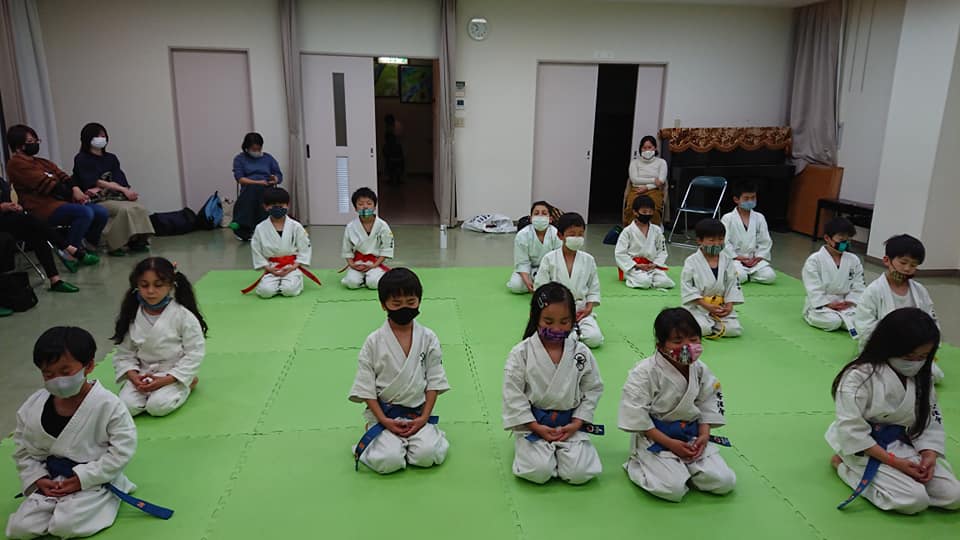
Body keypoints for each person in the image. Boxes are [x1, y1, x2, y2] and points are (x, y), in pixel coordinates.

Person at [5, 327, 137, 539]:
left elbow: (122, 450)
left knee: (67, 525)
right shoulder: (33, 406)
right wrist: (37, 478)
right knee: (21, 528)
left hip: (93, 478)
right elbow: (22, 448)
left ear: (89, 366)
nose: (57, 379)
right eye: (48, 374)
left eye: (65, 372)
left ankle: (110, 496)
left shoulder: (108, 405)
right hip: (51, 480)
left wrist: (82, 478)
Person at [826, 308, 960, 514]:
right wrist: (896, 463)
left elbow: (930, 420)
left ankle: (902, 476)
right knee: (914, 500)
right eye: (909, 356)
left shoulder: (923, 378)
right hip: (865, 447)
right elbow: (852, 430)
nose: (916, 363)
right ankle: (843, 466)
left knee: (953, 496)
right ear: (889, 346)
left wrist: (929, 454)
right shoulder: (858, 377)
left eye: (923, 356)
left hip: (903, 443)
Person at [619, 307, 736, 501]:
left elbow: (707, 401)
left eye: (693, 339)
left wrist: (704, 435)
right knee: (673, 489)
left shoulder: (699, 369)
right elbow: (636, 414)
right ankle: (637, 463)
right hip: (656, 438)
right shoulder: (644, 372)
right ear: (661, 345)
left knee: (724, 481)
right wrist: (670, 444)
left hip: (691, 436)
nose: (687, 346)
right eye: (677, 341)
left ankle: (684, 467)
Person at [349, 268, 450, 474]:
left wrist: (424, 418)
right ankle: (379, 437)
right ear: (383, 305)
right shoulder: (373, 341)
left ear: (419, 301)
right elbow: (365, 386)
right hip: (384, 415)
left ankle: (427, 434)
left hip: (417, 414)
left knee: (427, 456)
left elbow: (435, 380)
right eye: (396, 304)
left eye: (410, 302)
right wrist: (383, 420)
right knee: (390, 461)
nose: (404, 308)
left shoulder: (428, 337)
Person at [503, 282, 604, 484]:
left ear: (573, 320)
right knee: (538, 472)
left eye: (564, 322)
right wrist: (535, 426)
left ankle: (564, 453)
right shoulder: (521, 353)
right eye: (548, 322)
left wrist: (577, 423)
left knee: (581, 474)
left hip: (569, 425)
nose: (557, 329)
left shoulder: (580, 352)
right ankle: (537, 451)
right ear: (535, 318)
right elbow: (513, 395)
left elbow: (593, 388)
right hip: (534, 425)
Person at [111, 257, 207, 417]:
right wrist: (134, 377)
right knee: (126, 407)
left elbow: (194, 353)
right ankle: (145, 389)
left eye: (158, 285)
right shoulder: (132, 314)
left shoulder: (183, 316)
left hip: (172, 372)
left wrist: (169, 379)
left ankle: (189, 384)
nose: (150, 291)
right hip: (142, 373)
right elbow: (124, 353)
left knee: (157, 407)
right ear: (137, 286)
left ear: (170, 285)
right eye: (144, 285)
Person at [5, 124, 105, 267]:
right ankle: (69, 252)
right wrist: (74, 194)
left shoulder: (41, 162)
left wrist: (76, 189)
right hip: (41, 207)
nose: (35, 144)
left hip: (60, 203)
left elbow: (64, 177)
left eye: (36, 140)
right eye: (31, 141)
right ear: (19, 146)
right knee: (85, 212)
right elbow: (47, 185)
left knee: (101, 212)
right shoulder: (15, 164)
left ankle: (87, 246)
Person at [853, 234, 944, 383]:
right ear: (887, 260)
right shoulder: (874, 290)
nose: (907, 269)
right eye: (903, 262)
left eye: (913, 265)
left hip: (914, 351)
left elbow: (931, 323)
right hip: (886, 348)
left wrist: (926, 348)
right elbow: (864, 326)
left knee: (936, 375)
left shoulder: (920, 291)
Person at [72, 122, 155, 256]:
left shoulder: (111, 158)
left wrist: (126, 191)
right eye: (98, 136)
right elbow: (94, 181)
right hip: (99, 199)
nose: (102, 139)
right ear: (88, 138)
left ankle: (138, 240)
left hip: (116, 195)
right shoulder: (82, 158)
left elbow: (119, 177)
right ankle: (116, 244)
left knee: (139, 207)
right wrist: (120, 189)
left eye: (103, 136)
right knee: (125, 210)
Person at [534, 212, 604, 348]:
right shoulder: (550, 259)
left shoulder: (588, 259)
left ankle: (577, 332)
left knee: (595, 339)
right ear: (560, 236)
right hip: (556, 312)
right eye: (572, 234)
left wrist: (588, 308)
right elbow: (540, 289)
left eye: (580, 234)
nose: (577, 238)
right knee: (564, 340)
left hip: (581, 311)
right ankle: (571, 334)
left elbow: (593, 288)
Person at [0, 176, 78, 291]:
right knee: (30, 220)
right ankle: (67, 247)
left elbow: (8, 198)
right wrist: (2, 207)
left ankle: (55, 280)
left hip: (8, 219)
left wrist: (15, 206)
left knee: (35, 232)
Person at [247, 187, 317, 298]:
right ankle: (276, 284)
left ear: (287, 205)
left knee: (289, 290)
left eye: (281, 205)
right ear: (265, 207)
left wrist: (295, 266)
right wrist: (268, 268)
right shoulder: (260, 228)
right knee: (265, 292)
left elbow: (305, 247)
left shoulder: (296, 226)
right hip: (272, 266)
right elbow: (256, 249)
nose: (277, 208)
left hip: (291, 265)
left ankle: (294, 281)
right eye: (273, 205)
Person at [680, 219, 743, 338]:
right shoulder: (691, 261)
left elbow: (733, 284)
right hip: (698, 307)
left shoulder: (727, 260)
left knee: (734, 330)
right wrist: (706, 305)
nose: (717, 244)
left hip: (720, 306)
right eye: (711, 240)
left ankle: (712, 323)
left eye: (720, 239)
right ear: (700, 241)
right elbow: (687, 287)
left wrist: (729, 305)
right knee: (702, 329)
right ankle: (701, 323)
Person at [802, 217, 865, 336]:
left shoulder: (853, 260)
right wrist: (827, 303)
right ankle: (812, 316)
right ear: (827, 238)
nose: (844, 244)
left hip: (845, 304)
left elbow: (859, 285)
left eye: (848, 241)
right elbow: (812, 287)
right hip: (822, 305)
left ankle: (845, 320)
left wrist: (849, 301)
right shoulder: (815, 260)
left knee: (866, 319)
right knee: (833, 321)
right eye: (841, 239)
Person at [720, 181, 776, 284]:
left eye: (753, 197)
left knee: (770, 277)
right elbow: (724, 241)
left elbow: (765, 240)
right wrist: (736, 257)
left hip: (754, 259)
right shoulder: (728, 218)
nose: (750, 201)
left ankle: (749, 276)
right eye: (746, 198)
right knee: (740, 277)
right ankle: (744, 275)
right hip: (735, 259)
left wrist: (758, 257)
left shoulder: (759, 217)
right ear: (736, 199)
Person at [615, 195, 674, 289]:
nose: (647, 214)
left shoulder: (656, 230)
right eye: (644, 212)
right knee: (644, 282)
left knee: (666, 282)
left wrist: (655, 263)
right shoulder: (627, 231)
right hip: (635, 267)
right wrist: (636, 265)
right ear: (635, 212)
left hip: (651, 266)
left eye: (650, 212)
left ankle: (650, 279)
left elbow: (662, 251)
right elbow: (620, 253)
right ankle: (635, 277)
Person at [232, 132, 282, 241]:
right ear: (247, 148)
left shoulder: (268, 158)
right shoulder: (239, 159)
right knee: (254, 190)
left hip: (267, 187)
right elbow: (240, 179)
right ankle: (247, 229)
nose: (257, 152)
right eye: (254, 149)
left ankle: (260, 228)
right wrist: (258, 182)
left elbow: (279, 175)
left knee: (264, 193)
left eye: (259, 149)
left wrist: (275, 179)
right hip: (249, 188)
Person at [341, 187, 394, 290]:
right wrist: (352, 265)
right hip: (358, 262)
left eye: (369, 203)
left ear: (374, 207)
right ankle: (360, 279)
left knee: (374, 284)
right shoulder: (350, 227)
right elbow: (347, 249)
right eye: (360, 204)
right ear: (355, 208)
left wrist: (375, 265)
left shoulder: (382, 226)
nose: (365, 207)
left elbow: (387, 248)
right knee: (352, 284)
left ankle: (369, 278)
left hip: (376, 261)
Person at [507, 201, 561, 294]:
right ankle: (535, 282)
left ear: (550, 219)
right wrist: (527, 281)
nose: (540, 216)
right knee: (516, 286)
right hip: (530, 270)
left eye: (544, 214)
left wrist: (545, 275)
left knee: (562, 284)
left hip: (549, 270)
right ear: (531, 218)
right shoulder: (523, 235)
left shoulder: (556, 234)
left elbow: (559, 259)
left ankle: (542, 283)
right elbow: (522, 262)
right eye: (536, 213)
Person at [623, 135, 668, 227]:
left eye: (650, 147)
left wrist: (647, 187)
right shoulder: (634, 162)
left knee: (654, 207)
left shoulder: (661, 162)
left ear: (655, 148)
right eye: (644, 147)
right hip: (636, 189)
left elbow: (661, 181)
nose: (647, 150)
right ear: (640, 149)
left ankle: (653, 230)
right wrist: (653, 180)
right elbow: (634, 179)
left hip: (654, 190)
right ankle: (631, 230)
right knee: (631, 206)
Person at [383, 114, 405, 184]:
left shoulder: (397, 126)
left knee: (396, 164)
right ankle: (392, 178)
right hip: (392, 148)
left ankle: (396, 179)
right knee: (390, 163)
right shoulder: (390, 128)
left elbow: (397, 138)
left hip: (395, 148)